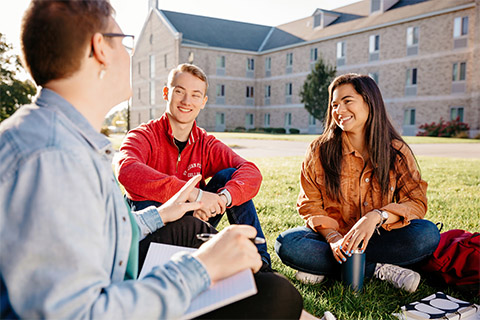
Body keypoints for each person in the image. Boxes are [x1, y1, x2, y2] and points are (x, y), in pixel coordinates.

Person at [0, 1, 303, 319]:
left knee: (273, 291)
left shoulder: (64, 140)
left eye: (196, 94)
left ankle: (255, 265)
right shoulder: (54, 157)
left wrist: (164, 213)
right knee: (278, 296)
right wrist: (201, 267)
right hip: (132, 287)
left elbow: (100, 243)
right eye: (124, 42)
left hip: (153, 235)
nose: (129, 55)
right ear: (100, 47)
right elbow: (74, 312)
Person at [275, 73, 440, 293]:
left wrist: (377, 216)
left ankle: (325, 269)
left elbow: (416, 201)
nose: (339, 110)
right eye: (334, 104)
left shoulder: (396, 151)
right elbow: (309, 205)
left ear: (369, 102)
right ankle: (376, 269)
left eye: (347, 101)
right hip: (332, 243)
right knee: (287, 243)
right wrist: (333, 239)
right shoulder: (319, 150)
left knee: (426, 234)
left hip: (378, 238)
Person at [115, 63, 272, 269]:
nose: (187, 101)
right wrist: (195, 195)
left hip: (197, 219)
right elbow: (126, 169)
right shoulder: (143, 135)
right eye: (179, 91)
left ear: (204, 101)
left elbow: (251, 172)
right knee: (146, 188)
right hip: (153, 229)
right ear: (166, 93)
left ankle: (260, 265)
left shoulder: (205, 143)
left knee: (229, 175)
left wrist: (219, 200)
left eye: (196, 95)